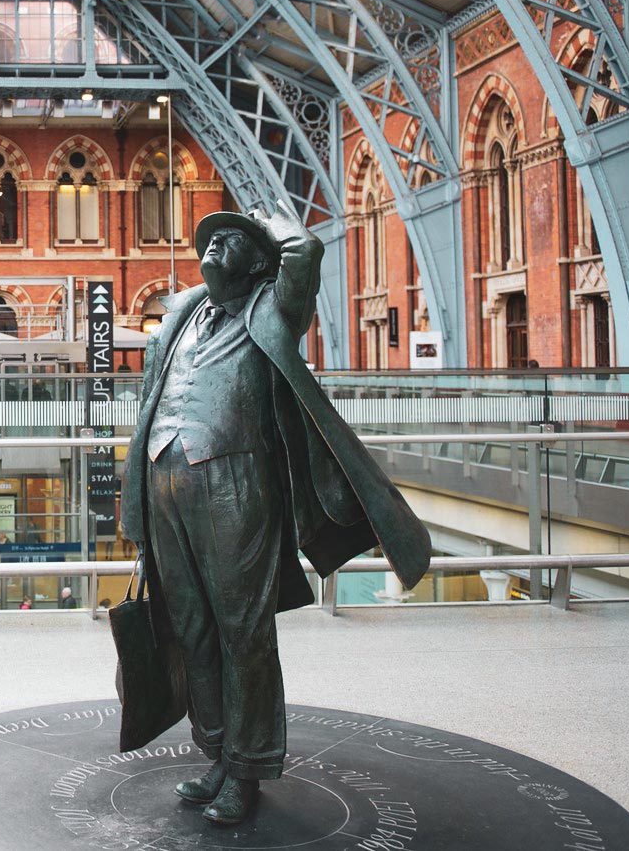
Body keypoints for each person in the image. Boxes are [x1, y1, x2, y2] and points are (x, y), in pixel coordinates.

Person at [121, 204, 430, 827]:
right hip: (164, 482)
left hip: (236, 482)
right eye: (210, 239)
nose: (214, 247)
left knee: (243, 634)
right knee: (193, 631)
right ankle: (216, 753)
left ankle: (249, 767)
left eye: (231, 240)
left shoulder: (273, 307)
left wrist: (266, 217)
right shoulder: (183, 312)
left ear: (259, 260)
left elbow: (306, 253)